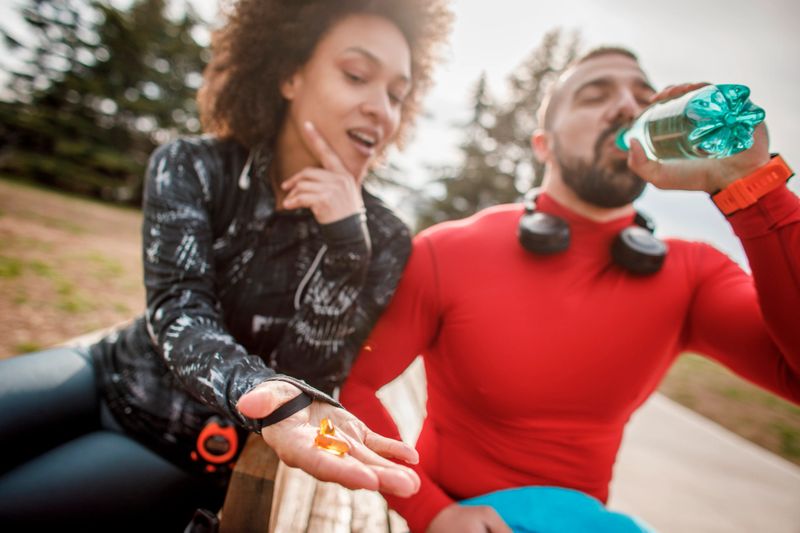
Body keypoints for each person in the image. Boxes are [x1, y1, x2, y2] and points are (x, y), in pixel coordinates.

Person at [0, 0, 453, 529]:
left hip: (186, 444)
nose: (381, 108)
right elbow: (178, 308)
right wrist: (248, 384)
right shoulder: (191, 165)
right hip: (108, 370)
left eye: (397, 95)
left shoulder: (386, 238)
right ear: (289, 74)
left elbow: (310, 376)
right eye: (357, 75)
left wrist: (346, 248)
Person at [340, 46, 800, 533]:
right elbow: (353, 385)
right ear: (544, 144)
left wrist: (753, 188)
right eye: (594, 95)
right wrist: (432, 512)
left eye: (643, 97)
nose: (627, 107)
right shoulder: (447, 251)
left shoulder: (693, 273)